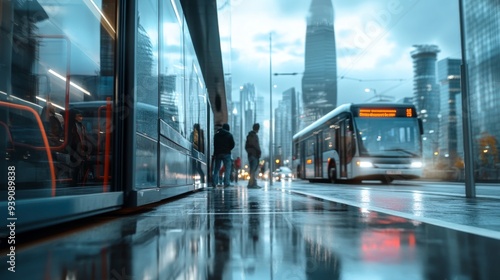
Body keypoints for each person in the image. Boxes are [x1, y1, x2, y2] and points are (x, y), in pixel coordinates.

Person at [68, 109, 90, 186]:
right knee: (76, 168)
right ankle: (74, 183)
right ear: (75, 117)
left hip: (81, 150)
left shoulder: (82, 127)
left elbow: (84, 138)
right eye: (79, 116)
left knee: (81, 166)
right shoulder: (73, 126)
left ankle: (81, 182)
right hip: (75, 150)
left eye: (81, 116)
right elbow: (74, 139)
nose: (81, 118)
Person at [245, 123, 262, 188]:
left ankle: (251, 183)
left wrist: (249, 152)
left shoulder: (249, 136)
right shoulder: (254, 136)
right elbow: (256, 146)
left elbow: (246, 146)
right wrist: (259, 152)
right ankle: (252, 184)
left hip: (250, 155)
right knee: (253, 170)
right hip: (254, 155)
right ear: (257, 129)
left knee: (252, 170)